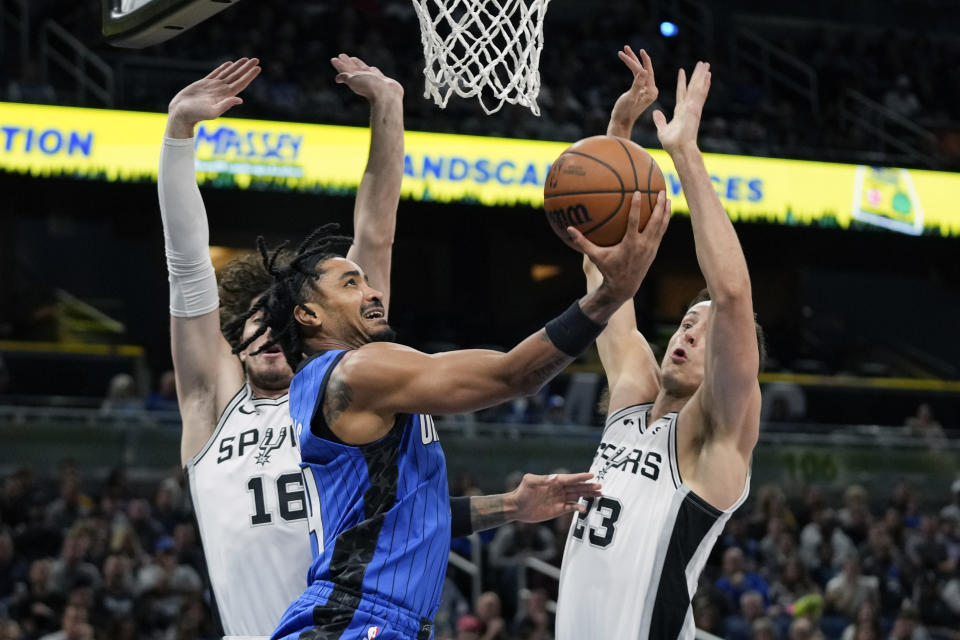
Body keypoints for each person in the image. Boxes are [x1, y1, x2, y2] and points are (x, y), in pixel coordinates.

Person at [160, 57, 604, 637]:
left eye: (279, 322)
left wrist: (389, 109)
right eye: (253, 323)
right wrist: (178, 137)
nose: (268, 334)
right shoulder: (214, 404)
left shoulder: (345, 378)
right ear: (230, 342)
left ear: (306, 323)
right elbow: (187, 266)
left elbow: (376, 233)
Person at [236, 99, 670, 640]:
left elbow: (407, 515)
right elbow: (512, 376)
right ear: (308, 314)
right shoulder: (357, 371)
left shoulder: (340, 383)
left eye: (367, 282)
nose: (372, 291)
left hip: (366, 620)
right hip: (356, 620)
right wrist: (611, 297)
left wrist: (511, 505)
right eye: (351, 285)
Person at [555, 49, 767, 639]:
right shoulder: (629, 403)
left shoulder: (713, 439)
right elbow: (605, 282)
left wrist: (684, 154)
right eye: (684, 322)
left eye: (705, 333)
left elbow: (731, 296)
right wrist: (617, 137)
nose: (688, 332)